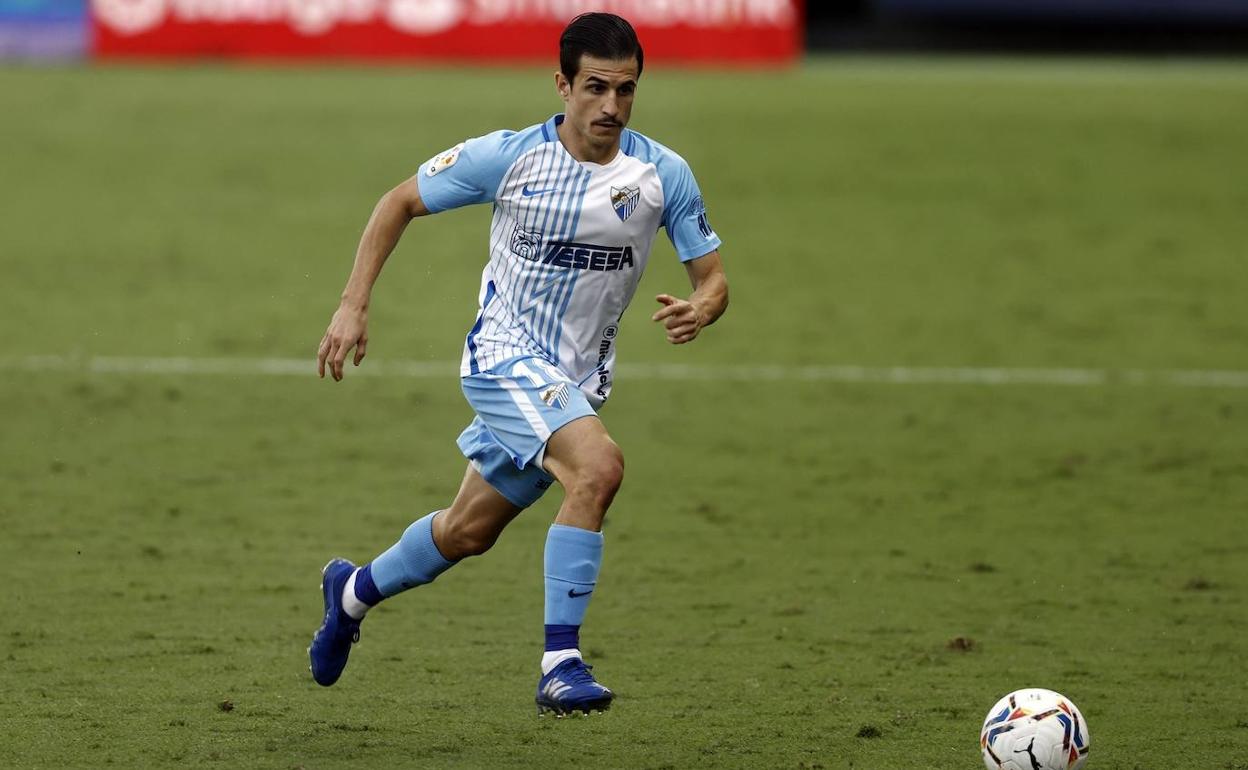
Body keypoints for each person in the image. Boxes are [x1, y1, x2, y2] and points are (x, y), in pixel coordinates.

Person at [309, 12, 728, 717]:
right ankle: (560, 662)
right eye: (595, 87)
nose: (611, 106)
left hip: (571, 386)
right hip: (503, 360)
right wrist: (353, 304)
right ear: (561, 84)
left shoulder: (662, 175)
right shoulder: (508, 158)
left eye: (626, 91)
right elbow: (398, 201)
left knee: (465, 532)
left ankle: (351, 592)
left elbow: (712, 277)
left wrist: (703, 306)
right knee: (597, 468)